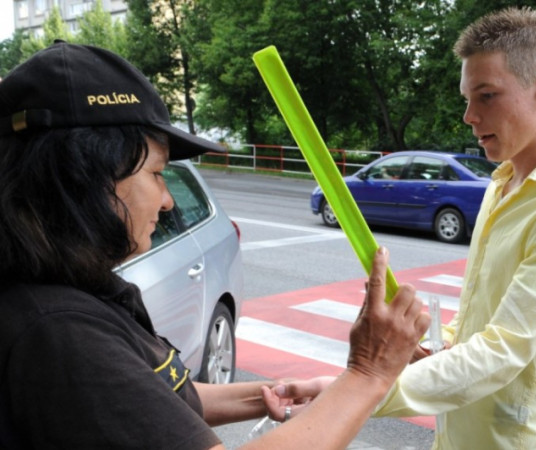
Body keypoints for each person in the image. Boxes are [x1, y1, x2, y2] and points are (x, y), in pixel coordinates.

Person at [0, 41, 430, 449]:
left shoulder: (68, 288)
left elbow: (152, 400)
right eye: (155, 173)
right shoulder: (56, 332)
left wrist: (270, 394)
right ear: (84, 176)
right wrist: (368, 373)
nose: (168, 200)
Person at [272, 7, 536, 449]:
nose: (468, 115)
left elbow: (504, 350)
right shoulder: (501, 183)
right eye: (467, 98)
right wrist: (439, 343)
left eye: (486, 96)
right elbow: (483, 308)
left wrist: (355, 393)